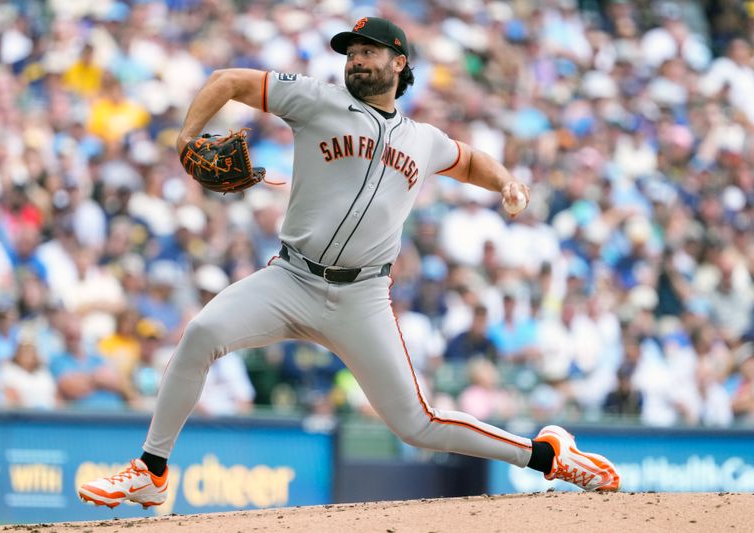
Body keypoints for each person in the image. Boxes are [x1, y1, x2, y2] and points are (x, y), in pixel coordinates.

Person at [78, 17, 620, 509]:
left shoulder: (423, 140)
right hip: (289, 277)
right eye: (351, 52)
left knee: (417, 424)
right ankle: (150, 470)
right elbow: (228, 80)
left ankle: (547, 455)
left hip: (361, 299)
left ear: (399, 63)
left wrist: (505, 181)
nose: (356, 60)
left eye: (369, 51)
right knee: (200, 334)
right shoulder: (316, 100)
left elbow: (471, 159)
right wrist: (186, 137)